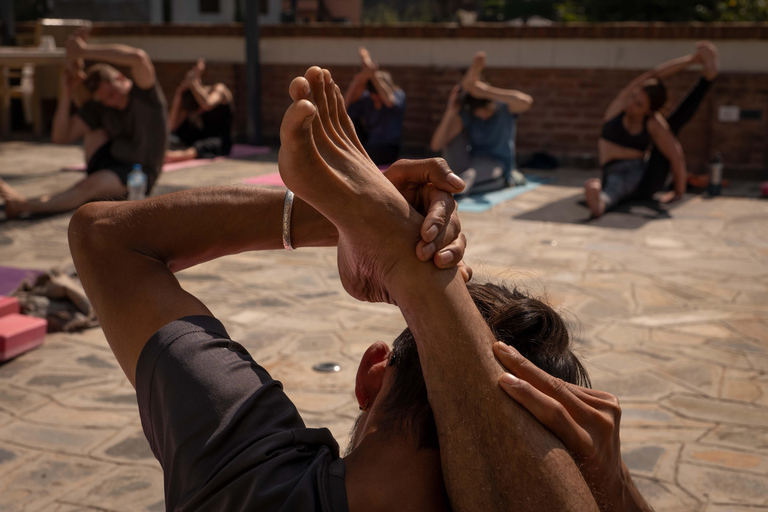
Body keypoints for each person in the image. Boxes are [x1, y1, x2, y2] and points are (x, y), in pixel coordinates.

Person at [69, 66, 652, 511]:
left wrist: (353, 224)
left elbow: (107, 239)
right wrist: (616, 491)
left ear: (374, 375)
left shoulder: (247, 475)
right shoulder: (575, 492)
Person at [0, 31, 167, 219]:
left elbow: (138, 57)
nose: (112, 102)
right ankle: (27, 203)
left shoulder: (145, 95)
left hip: (138, 173)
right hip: (109, 162)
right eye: (105, 100)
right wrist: (66, 93)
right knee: (92, 117)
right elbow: (60, 137)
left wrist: (84, 51)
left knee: (86, 188)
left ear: (120, 78)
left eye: (112, 93)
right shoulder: (104, 106)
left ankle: (24, 205)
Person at [585, 41, 719, 218]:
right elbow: (655, 74)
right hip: (615, 170)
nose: (632, 105)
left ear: (648, 110)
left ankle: (707, 78)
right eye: (633, 98)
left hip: (645, 178)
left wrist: (678, 191)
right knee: (615, 187)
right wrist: (692, 60)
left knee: (672, 126)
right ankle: (599, 203)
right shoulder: (617, 109)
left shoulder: (652, 122)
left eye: (639, 104)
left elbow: (675, 153)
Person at [430, 51, 533, 195]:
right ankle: (452, 184)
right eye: (479, 113)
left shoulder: (504, 109)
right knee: (455, 143)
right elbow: (436, 145)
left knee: (471, 176)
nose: (483, 116)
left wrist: (485, 91)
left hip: (496, 164)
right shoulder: (469, 115)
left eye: (486, 111)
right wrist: (450, 112)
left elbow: (527, 101)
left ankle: (453, 190)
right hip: (472, 161)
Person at [345, 47, 406, 166]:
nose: (375, 97)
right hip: (369, 145)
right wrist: (357, 81)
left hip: (388, 148)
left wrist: (373, 74)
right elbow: (344, 109)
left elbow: (389, 101)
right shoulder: (368, 99)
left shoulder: (398, 95)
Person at [165, 58, 234, 163]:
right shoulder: (191, 97)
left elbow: (207, 104)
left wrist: (193, 81)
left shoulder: (219, 89)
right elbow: (172, 126)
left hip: (218, 140)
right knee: (182, 130)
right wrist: (179, 95)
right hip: (199, 136)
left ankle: (170, 156)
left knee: (201, 146)